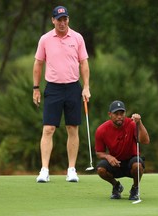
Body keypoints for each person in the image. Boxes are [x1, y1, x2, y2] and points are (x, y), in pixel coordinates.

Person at [33, 6, 91, 183]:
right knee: (48, 129)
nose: (62, 22)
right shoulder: (45, 39)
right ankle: (44, 170)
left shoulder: (77, 38)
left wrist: (86, 86)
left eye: (65, 19)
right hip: (53, 88)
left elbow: (84, 64)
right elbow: (38, 64)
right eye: (59, 19)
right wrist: (36, 88)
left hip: (73, 87)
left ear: (68, 19)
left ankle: (71, 170)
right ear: (53, 20)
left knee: (72, 128)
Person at [95, 100, 150, 200]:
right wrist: (108, 156)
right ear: (110, 114)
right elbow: (99, 152)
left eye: (122, 113)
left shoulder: (132, 124)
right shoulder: (101, 130)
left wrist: (139, 123)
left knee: (137, 165)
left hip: (131, 161)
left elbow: (145, 141)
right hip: (115, 163)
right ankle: (116, 186)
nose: (119, 116)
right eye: (116, 114)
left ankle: (135, 188)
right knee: (100, 170)